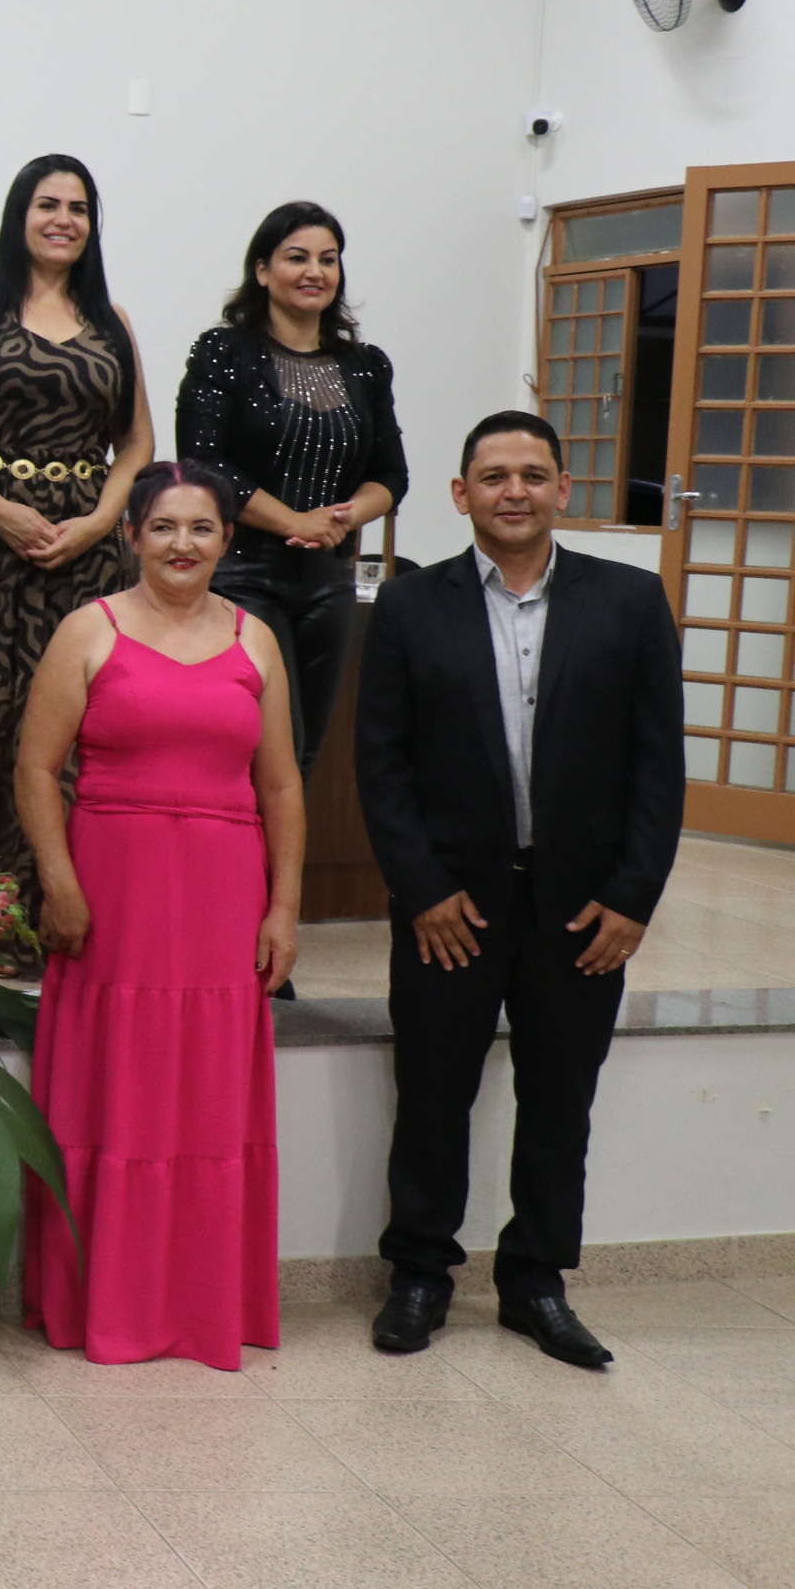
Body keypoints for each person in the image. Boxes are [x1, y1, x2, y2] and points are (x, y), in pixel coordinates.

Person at [357, 413, 681, 1370]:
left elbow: (658, 768)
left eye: (532, 475)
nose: (513, 491)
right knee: (432, 1094)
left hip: (582, 910)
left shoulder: (628, 602)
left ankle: (536, 1280)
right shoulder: (412, 609)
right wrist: (420, 889)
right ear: (460, 494)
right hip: (449, 907)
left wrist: (633, 899)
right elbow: (382, 766)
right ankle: (419, 1272)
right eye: (492, 475)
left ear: (562, 490)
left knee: (558, 1101)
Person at [15, 459, 303, 1371]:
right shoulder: (86, 630)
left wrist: (284, 906)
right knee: (118, 1088)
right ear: (133, 534)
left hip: (223, 890)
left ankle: (200, 1302)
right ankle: (106, 1300)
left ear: (228, 540)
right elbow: (34, 769)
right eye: (166, 527)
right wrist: (59, 880)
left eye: (203, 528)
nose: (184, 544)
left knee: (211, 1096)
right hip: (114, 888)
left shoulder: (257, 639)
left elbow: (284, 783)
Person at [0, 156, 153, 951]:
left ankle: (65, 914)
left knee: (72, 731)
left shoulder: (110, 319)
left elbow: (137, 443)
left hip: (80, 557)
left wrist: (98, 524)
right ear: (20, 215)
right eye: (47, 204)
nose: (63, 220)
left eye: (79, 208)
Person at [176, 202, 409, 774]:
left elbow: (391, 476)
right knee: (262, 741)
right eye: (297, 257)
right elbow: (204, 464)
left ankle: (283, 867)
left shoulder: (365, 365)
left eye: (328, 260)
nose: (315, 272)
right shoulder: (224, 352)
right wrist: (294, 523)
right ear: (262, 270)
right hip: (241, 573)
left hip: (329, 577)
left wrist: (340, 520)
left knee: (304, 753)